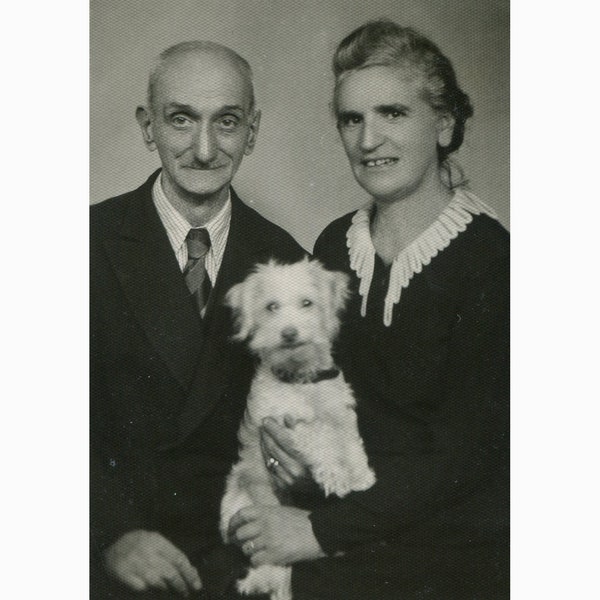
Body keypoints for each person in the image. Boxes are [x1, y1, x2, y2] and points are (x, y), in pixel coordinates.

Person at [227, 20, 509, 599]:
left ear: (445, 124)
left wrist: (319, 531)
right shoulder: (334, 246)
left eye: (393, 114)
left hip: (453, 550)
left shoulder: (493, 260)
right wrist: (296, 467)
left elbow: (464, 457)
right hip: (349, 520)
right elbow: (319, 398)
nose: (368, 139)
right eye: (352, 120)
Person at [90, 41, 305, 599]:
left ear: (252, 131)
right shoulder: (83, 242)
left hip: (235, 558)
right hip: (107, 553)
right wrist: (109, 533)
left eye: (227, 122)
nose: (205, 149)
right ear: (147, 126)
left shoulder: (285, 259)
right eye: (181, 119)